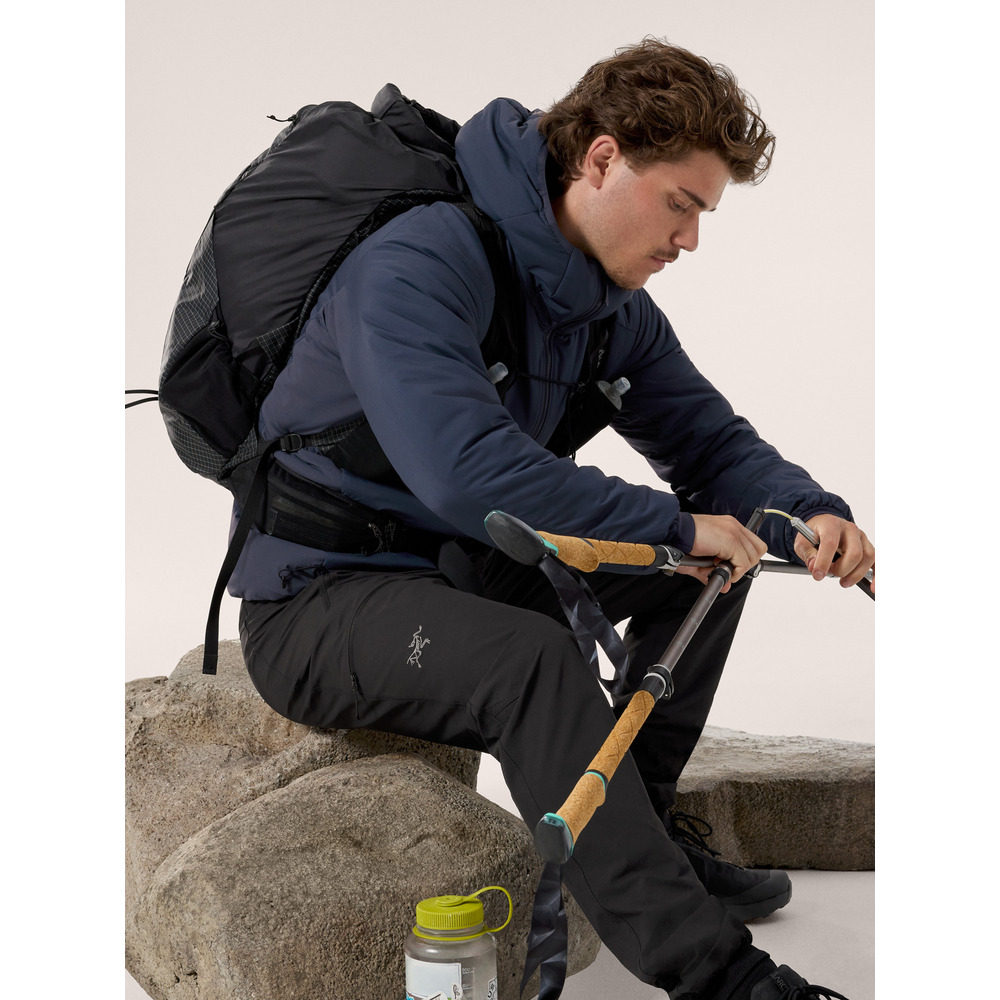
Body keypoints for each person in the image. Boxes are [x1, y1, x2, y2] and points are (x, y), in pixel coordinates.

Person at [231, 38, 873, 1000]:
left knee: (708, 565)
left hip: (465, 565)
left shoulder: (608, 306)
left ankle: (644, 835)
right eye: (682, 205)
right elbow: (465, 472)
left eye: (703, 214)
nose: (691, 241)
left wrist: (807, 514)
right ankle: (724, 980)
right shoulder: (417, 261)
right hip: (321, 597)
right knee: (534, 658)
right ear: (603, 159)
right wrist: (676, 526)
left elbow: (711, 447)